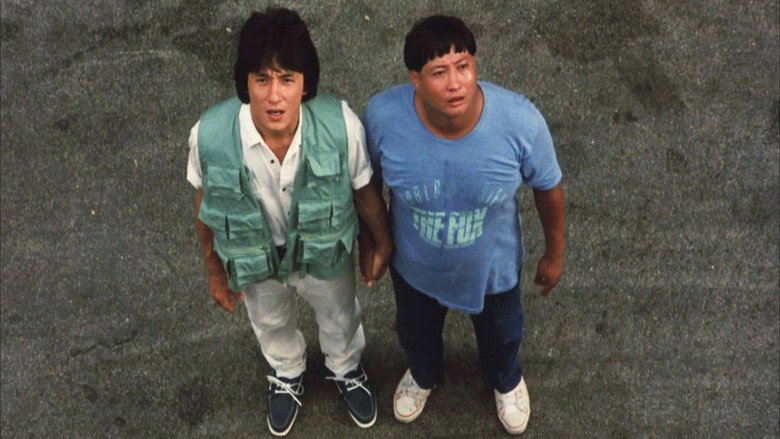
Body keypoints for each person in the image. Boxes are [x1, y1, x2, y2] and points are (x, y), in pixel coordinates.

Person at [186, 8, 392, 436]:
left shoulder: (342, 126)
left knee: (340, 315)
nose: (274, 96)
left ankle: (345, 365)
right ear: (245, 82)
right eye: (262, 79)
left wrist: (382, 241)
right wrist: (214, 269)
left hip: (324, 253)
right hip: (256, 261)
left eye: (286, 79)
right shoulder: (208, 135)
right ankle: (287, 370)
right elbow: (205, 203)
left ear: (305, 83)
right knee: (270, 322)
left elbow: (364, 191)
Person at [363, 15, 565, 435]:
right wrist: (375, 242)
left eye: (463, 66)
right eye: (439, 72)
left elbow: (548, 186)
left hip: (494, 271)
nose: (455, 83)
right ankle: (424, 373)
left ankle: (506, 379)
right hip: (414, 269)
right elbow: (368, 184)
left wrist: (554, 253)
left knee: (503, 334)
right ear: (415, 80)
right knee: (415, 332)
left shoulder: (521, 121)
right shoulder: (382, 117)